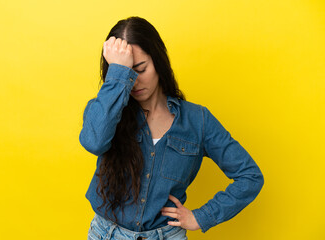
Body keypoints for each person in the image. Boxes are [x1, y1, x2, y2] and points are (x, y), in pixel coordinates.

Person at [79, 16, 264, 240]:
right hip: (106, 234)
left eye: (140, 68)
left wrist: (202, 217)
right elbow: (93, 141)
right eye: (127, 72)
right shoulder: (105, 110)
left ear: (158, 61)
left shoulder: (197, 120)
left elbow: (250, 176)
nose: (134, 81)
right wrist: (118, 74)